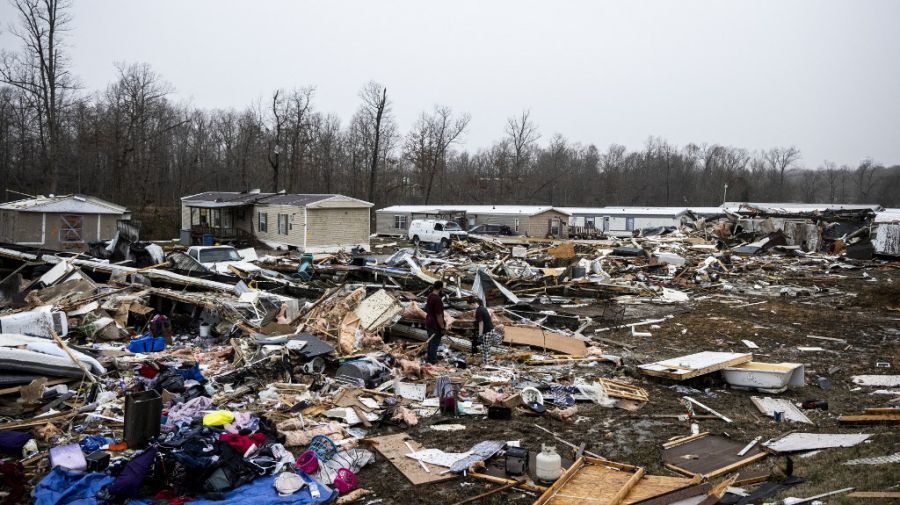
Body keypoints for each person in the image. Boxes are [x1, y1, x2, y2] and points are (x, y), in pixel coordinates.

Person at [471, 297, 503, 364]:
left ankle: (486, 364)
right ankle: (486, 362)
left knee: (485, 348)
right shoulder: (483, 308)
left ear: (474, 303)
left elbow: (481, 323)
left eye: (471, 305)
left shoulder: (478, 311)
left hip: (486, 331)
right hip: (491, 329)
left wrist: (480, 335)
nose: (471, 307)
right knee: (486, 347)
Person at [424, 281, 445, 364]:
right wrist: (442, 327)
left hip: (428, 321)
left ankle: (429, 358)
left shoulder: (430, 296)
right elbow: (439, 315)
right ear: (440, 288)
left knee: (430, 341)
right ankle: (432, 360)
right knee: (435, 342)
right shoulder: (437, 299)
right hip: (434, 324)